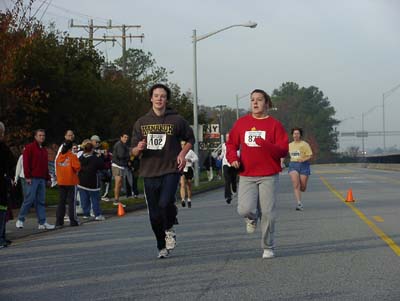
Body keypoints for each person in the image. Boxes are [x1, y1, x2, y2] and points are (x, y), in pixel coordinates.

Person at [131, 83, 195, 259]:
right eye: (156, 95)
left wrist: (182, 154)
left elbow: (190, 139)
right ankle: (161, 245)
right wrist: (139, 147)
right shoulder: (142, 122)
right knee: (154, 216)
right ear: (151, 98)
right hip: (149, 171)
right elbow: (133, 151)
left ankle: (169, 228)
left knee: (165, 203)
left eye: (163, 96)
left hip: (170, 168)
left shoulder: (176, 120)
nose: (159, 99)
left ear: (167, 99)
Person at [226, 89, 288, 259]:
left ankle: (268, 246)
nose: (255, 103)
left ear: (266, 103)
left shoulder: (275, 125)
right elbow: (231, 144)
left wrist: (265, 144)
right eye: (252, 100)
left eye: (259, 100)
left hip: (269, 174)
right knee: (244, 209)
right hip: (247, 173)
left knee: (268, 212)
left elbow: (283, 150)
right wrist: (233, 158)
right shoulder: (242, 123)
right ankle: (251, 217)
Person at [15, 129, 55, 230]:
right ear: (35, 137)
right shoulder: (29, 148)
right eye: (40, 135)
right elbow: (26, 163)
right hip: (32, 178)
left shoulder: (44, 150)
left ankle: (42, 222)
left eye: (43, 135)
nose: (42, 137)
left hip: (41, 179)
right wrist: (27, 176)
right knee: (29, 199)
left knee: (40, 201)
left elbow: (45, 166)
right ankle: (20, 219)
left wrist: (48, 178)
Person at [77, 140, 106, 221]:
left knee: (84, 198)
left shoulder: (81, 158)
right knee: (95, 198)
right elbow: (102, 166)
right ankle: (97, 214)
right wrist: (100, 156)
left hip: (82, 181)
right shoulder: (95, 158)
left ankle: (86, 214)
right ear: (92, 149)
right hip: (92, 182)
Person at [55, 141, 81, 227]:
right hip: (71, 181)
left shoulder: (59, 156)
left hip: (61, 180)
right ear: (70, 147)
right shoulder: (72, 156)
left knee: (61, 201)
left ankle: (59, 221)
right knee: (71, 201)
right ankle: (73, 220)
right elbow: (77, 167)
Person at [287, 127, 313, 211]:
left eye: (297, 133)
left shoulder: (304, 144)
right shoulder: (289, 145)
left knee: (303, 187)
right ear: (292, 135)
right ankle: (299, 203)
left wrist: (303, 159)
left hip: (304, 165)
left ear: (300, 135)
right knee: (296, 184)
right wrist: (281, 162)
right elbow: (283, 154)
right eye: (294, 133)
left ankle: (302, 188)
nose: (296, 135)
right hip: (293, 165)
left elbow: (310, 155)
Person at [0, 122, 16, 248]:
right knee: (2, 211)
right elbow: (11, 162)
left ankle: (2, 237)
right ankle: (1, 237)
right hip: (1, 184)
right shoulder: (3, 147)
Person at [112, 133, 130, 207]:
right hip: (117, 165)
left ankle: (117, 199)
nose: (126, 139)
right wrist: (128, 154)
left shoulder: (124, 145)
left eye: (127, 137)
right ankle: (116, 200)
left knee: (119, 184)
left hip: (121, 166)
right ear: (121, 137)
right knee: (118, 182)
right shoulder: (119, 144)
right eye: (125, 137)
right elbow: (121, 155)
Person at [179, 141, 198, 208]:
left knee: (189, 185)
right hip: (182, 169)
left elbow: (196, 158)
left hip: (189, 169)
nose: (183, 146)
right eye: (181, 144)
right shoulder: (179, 151)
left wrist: (190, 160)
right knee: (182, 184)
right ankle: (183, 200)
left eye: (184, 144)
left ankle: (189, 200)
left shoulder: (190, 151)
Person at [220, 133, 238, 204]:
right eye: (226, 137)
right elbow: (223, 153)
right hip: (225, 163)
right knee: (227, 180)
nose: (227, 138)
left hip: (233, 164)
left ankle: (234, 189)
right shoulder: (224, 145)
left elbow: (238, 153)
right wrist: (219, 157)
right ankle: (228, 196)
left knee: (233, 179)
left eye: (229, 137)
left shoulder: (235, 145)